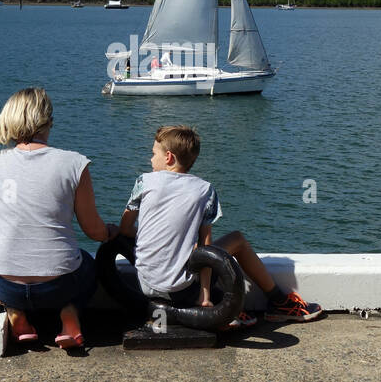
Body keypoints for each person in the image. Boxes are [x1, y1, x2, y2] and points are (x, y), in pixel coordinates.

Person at [0, 87, 117, 349]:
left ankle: (16, 314)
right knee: (88, 265)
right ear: (49, 123)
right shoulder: (74, 163)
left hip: (5, 285)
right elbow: (93, 230)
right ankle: (69, 315)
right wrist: (111, 233)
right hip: (60, 285)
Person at [117, 125, 324, 328]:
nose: (150, 159)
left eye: (153, 154)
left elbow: (125, 229)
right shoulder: (205, 190)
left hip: (144, 284)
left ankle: (231, 308)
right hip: (182, 290)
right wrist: (203, 295)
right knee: (238, 239)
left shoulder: (144, 181)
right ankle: (279, 303)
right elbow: (206, 248)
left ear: (169, 157)